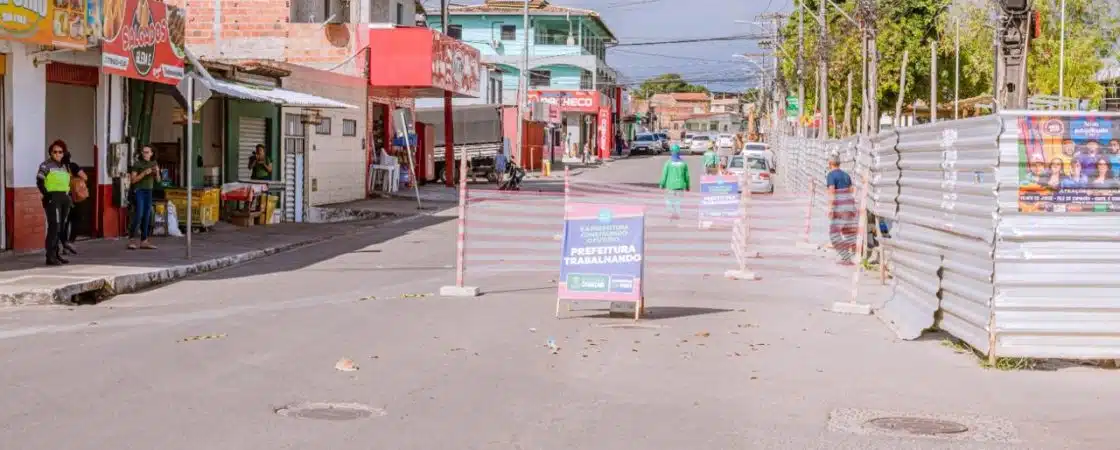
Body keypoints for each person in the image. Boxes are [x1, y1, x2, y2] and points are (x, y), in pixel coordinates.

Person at [37, 141, 74, 265]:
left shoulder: (64, 166)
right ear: (50, 153)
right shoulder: (45, 165)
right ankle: (50, 256)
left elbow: (69, 182)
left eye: (60, 152)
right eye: (55, 152)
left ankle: (57, 254)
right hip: (52, 198)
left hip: (64, 197)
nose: (57, 154)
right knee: (55, 226)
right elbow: (40, 181)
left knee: (61, 228)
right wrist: (47, 195)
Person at [128, 145, 161, 250]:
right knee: (139, 214)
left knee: (147, 215)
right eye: (143, 152)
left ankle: (144, 240)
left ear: (151, 153)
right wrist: (143, 173)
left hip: (149, 191)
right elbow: (133, 180)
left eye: (147, 152)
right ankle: (132, 238)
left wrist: (157, 172)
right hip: (139, 191)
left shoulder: (154, 163)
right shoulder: (137, 164)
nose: (145, 154)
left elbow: (158, 180)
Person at [825, 156, 857, 265]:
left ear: (830, 163)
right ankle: (853, 256)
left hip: (840, 208)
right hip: (850, 206)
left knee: (834, 235)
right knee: (848, 232)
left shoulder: (831, 175)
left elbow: (832, 192)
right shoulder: (846, 175)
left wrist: (831, 209)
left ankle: (846, 257)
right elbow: (852, 190)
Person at [60, 146, 86, 255]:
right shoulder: (73, 166)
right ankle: (71, 241)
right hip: (76, 198)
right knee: (76, 220)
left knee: (64, 222)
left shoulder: (57, 168)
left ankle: (65, 243)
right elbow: (85, 177)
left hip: (63, 197)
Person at [659, 144, 691, 220]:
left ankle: (671, 213)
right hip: (680, 185)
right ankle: (677, 214)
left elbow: (664, 175)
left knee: (669, 200)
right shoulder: (683, 163)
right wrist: (687, 186)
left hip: (670, 185)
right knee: (678, 201)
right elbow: (687, 176)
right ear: (679, 152)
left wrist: (662, 184)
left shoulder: (668, 163)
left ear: (671, 152)